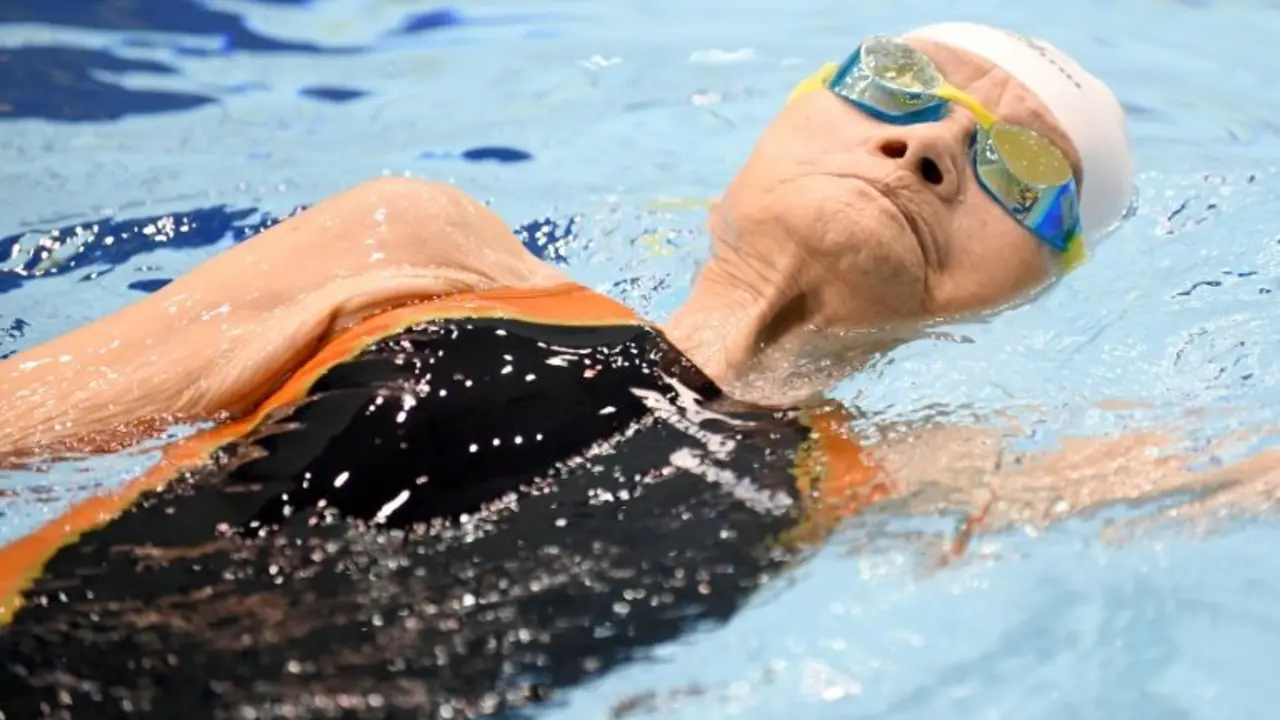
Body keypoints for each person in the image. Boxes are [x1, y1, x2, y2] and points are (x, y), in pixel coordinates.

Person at [0, 20, 1245, 718]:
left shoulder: (885, 474)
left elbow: (1232, 482)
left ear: (1027, 289)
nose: (932, 146)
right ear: (785, 113)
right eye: (898, 86)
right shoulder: (430, 254)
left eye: (1020, 175)